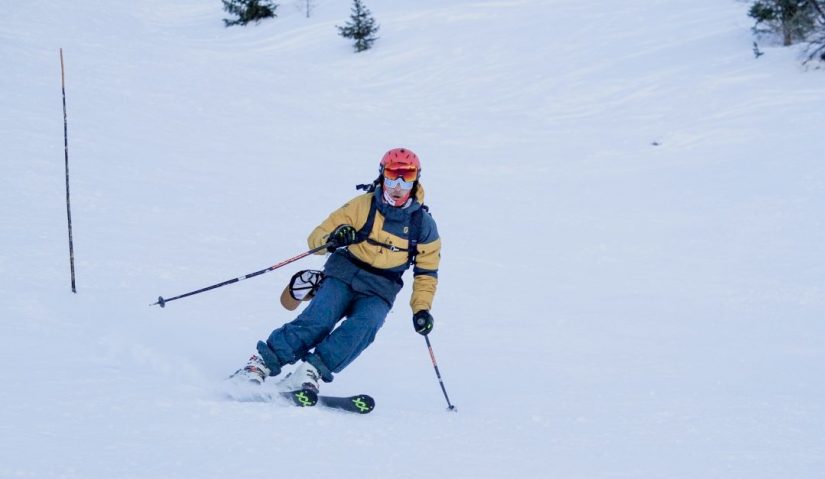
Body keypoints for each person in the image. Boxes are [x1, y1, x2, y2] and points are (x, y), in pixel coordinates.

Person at [231, 147, 441, 393]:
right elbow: (315, 239)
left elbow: (427, 273)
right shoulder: (362, 206)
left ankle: (311, 372)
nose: (398, 186)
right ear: (382, 175)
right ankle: (262, 363)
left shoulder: (423, 226)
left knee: (365, 326)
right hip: (344, 272)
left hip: (381, 287)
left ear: (416, 180)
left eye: (406, 178)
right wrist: (333, 238)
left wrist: (421, 309)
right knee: (320, 317)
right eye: (392, 176)